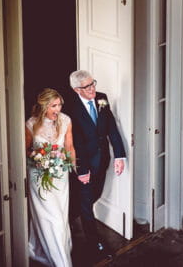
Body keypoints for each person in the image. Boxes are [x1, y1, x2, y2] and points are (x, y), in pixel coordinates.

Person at [64, 69, 126, 258]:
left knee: (95, 194)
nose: (92, 89)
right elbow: (74, 142)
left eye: (93, 83)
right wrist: (81, 169)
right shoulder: (70, 109)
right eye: (87, 86)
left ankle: (70, 217)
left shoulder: (102, 98)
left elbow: (111, 128)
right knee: (86, 204)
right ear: (76, 90)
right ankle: (94, 243)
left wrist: (119, 156)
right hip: (84, 164)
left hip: (103, 160)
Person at [25, 88, 76, 267]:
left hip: (61, 177)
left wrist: (74, 168)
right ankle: (62, 262)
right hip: (39, 177)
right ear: (43, 107)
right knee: (51, 218)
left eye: (59, 104)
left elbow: (69, 147)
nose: (58, 109)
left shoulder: (66, 120)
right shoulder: (31, 124)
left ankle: (40, 248)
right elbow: (26, 150)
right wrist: (39, 157)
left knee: (61, 217)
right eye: (53, 106)